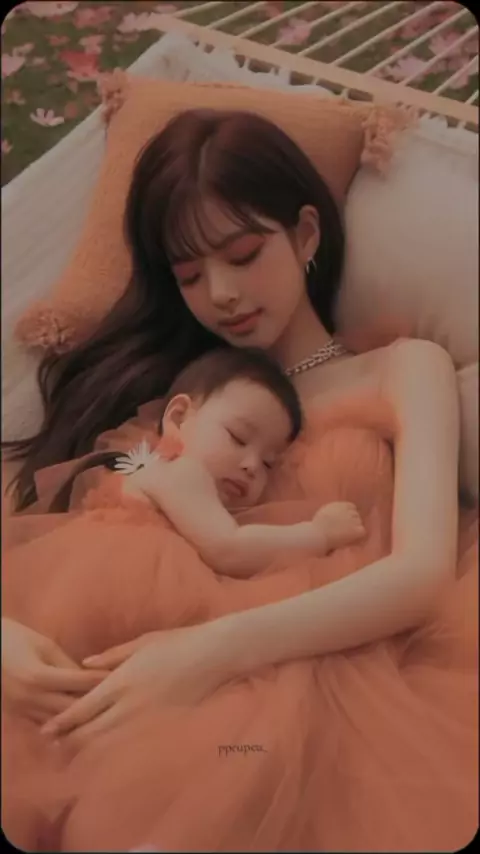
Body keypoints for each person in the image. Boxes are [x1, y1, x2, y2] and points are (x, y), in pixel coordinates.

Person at [2, 108, 477, 853]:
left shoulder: (400, 368)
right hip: (119, 673)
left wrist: (209, 652)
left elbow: (419, 573)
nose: (221, 293)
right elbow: (76, 533)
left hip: (316, 679)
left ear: (307, 236)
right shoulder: (176, 398)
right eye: (191, 276)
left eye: (244, 254)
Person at [45, 347, 365, 578]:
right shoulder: (181, 473)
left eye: (269, 464)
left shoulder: (158, 475)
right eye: (238, 437)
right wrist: (319, 534)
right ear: (179, 417)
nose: (252, 465)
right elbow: (230, 550)